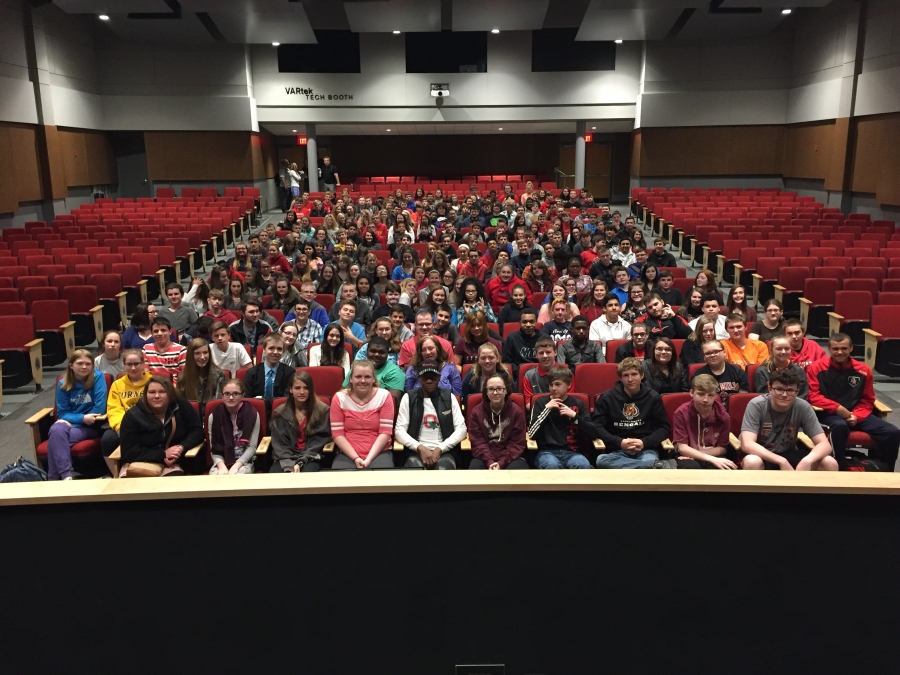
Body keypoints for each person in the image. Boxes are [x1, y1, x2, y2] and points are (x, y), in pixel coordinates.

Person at [807, 332, 900, 471]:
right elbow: (813, 396)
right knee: (839, 427)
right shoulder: (816, 368)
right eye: (835, 349)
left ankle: (884, 470)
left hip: (857, 414)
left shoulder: (863, 370)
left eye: (844, 348)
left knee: (892, 432)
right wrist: (837, 408)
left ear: (851, 348)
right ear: (829, 350)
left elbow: (867, 399)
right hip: (829, 414)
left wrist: (857, 416)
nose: (839, 352)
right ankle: (840, 469)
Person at [741, 369, 837, 471]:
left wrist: (807, 460)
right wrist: (781, 461)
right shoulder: (756, 405)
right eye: (779, 389)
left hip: (788, 453)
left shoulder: (803, 406)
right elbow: (747, 444)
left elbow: (825, 445)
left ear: (797, 392)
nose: (784, 395)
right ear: (769, 388)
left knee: (829, 462)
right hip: (761, 454)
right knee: (752, 461)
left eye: (790, 390)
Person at [593, 357, 672, 469]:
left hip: (645, 450)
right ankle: (649, 467)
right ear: (620, 378)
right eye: (626, 375)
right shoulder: (607, 397)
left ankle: (647, 465)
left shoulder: (653, 397)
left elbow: (664, 428)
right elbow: (597, 427)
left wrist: (644, 442)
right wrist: (619, 442)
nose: (630, 379)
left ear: (642, 376)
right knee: (601, 460)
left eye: (634, 374)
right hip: (617, 450)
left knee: (650, 459)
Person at [118, 376, 205, 477]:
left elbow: (197, 431)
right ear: (145, 395)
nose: (157, 396)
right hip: (141, 463)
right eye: (152, 392)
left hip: (174, 462)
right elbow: (128, 452)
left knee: (172, 483)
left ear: (170, 394)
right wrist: (162, 454)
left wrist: (181, 447)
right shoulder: (132, 416)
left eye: (162, 391)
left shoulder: (181, 406)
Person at [46, 350, 107, 480]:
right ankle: (67, 476)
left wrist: (79, 419)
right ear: (71, 365)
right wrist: (81, 418)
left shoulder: (98, 377)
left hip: (91, 426)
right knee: (56, 430)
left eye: (88, 363)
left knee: (55, 440)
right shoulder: (63, 383)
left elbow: (99, 409)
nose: (84, 367)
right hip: (69, 425)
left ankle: (54, 478)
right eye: (80, 363)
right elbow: (62, 413)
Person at [395, 359, 467, 470]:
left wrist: (440, 448)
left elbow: (461, 429)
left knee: (443, 472)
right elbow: (399, 431)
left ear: (439, 378)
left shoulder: (449, 397)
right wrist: (420, 448)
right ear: (419, 379)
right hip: (415, 452)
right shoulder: (409, 397)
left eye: (432, 377)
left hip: (445, 452)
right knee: (416, 474)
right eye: (425, 377)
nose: (429, 381)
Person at [527, 366, 598, 469]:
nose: (553, 388)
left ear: (568, 385)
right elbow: (532, 434)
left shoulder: (578, 404)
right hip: (546, 452)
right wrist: (546, 410)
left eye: (558, 384)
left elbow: (593, 433)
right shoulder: (541, 403)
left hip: (572, 453)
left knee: (583, 465)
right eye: (551, 385)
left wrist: (574, 416)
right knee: (551, 465)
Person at [330, 360, 395, 470]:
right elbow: (337, 435)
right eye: (358, 376)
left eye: (368, 377)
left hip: (379, 452)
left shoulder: (384, 396)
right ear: (351, 378)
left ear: (374, 379)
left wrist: (368, 459)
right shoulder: (339, 398)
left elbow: (385, 433)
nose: (363, 381)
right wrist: (356, 458)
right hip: (347, 453)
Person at [270, 370, 333, 473]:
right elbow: (280, 446)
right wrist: (289, 466)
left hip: (311, 457)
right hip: (285, 458)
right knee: (274, 477)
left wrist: (301, 462)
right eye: (297, 388)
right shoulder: (280, 413)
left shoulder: (322, 411)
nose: (302, 392)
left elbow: (318, 443)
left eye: (306, 388)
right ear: (290, 390)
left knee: (307, 476)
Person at [102, 349, 152, 474]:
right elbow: (114, 409)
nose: (133, 368)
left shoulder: (153, 382)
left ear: (143, 364)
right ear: (124, 365)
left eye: (137, 364)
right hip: (124, 425)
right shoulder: (117, 385)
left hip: (148, 423)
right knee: (107, 439)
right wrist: (121, 428)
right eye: (129, 364)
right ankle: (116, 474)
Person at [672, 374, 736, 469]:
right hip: (687, 457)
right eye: (701, 394)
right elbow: (682, 448)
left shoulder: (724, 416)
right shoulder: (681, 413)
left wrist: (702, 455)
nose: (706, 400)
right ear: (691, 393)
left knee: (725, 469)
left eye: (710, 395)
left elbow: (722, 449)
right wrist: (707, 458)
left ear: (716, 396)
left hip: (711, 455)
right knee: (690, 468)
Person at [468, 375, 528, 470]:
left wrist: (501, 462)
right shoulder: (476, 412)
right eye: (491, 389)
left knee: (517, 472)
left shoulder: (516, 412)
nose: (495, 392)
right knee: (474, 469)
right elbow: (478, 442)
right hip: (484, 457)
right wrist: (489, 461)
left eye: (499, 389)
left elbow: (516, 443)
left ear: (506, 390)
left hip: (511, 458)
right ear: (486, 392)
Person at [207, 379, 260, 475]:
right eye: (227, 394)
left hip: (245, 461)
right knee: (216, 475)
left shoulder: (252, 414)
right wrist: (222, 466)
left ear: (242, 395)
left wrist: (236, 466)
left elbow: (252, 447)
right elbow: (213, 448)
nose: (231, 397)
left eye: (235, 394)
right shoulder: (214, 416)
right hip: (221, 460)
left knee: (239, 475)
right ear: (222, 396)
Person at [692, 340, 749, 410]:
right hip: (707, 412)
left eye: (716, 352)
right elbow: (696, 401)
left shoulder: (738, 372)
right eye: (708, 353)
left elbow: (741, 401)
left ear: (724, 352)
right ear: (704, 357)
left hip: (733, 411)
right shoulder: (698, 375)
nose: (712, 355)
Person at [176, 338, 225, 406]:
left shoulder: (219, 375)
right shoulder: (182, 378)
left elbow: (217, 404)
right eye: (197, 353)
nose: (202, 357)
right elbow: (181, 405)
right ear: (191, 355)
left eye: (205, 352)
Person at [244, 334, 294, 400]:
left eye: (279, 349)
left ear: (283, 351)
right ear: (264, 350)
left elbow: (287, 400)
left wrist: (262, 398)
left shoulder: (290, 372)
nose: (275, 352)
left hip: (281, 409)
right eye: (271, 348)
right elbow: (248, 399)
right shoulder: (251, 373)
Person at [589, 294, 632, 361]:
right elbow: (594, 348)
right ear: (604, 308)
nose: (614, 308)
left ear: (620, 307)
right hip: (601, 359)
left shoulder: (626, 326)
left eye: (616, 305)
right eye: (610, 305)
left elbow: (629, 347)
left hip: (623, 359)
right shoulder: (595, 324)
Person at [143, 316, 187, 381]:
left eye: (163, 330)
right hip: (153, 387)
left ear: (170, 331)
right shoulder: (146, 349)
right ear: (151, 334)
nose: (159, 333)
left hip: (174, 387)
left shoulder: (181, 350)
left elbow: (184, 376)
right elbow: (145, 374)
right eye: (156, 331)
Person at [502, 307, 540, 379]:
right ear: (519, 323)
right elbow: (507, 362)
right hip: (517, 376)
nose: (528, 325)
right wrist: (521, 372)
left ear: (536, 322)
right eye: (524, 322)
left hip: (539, 375)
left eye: (531, 321)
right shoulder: (512, 338)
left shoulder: (544, 338)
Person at [522, 336, 559, 407]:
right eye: (541, 353)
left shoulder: (566, 374)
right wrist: (547, 408)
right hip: (538, 415)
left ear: (555, 352)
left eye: (548, 352)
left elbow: (569, 402)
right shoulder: (529, 376)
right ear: (536, 355)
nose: (545, 356)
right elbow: (529, 405)